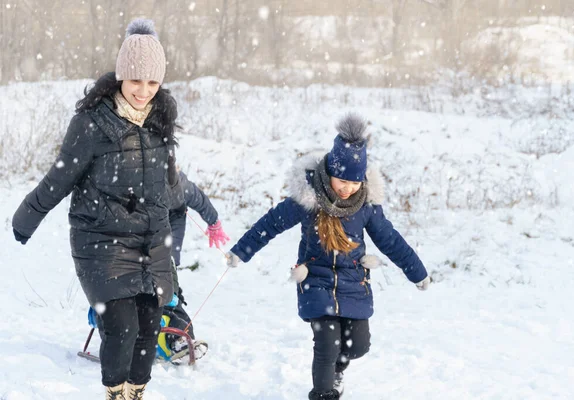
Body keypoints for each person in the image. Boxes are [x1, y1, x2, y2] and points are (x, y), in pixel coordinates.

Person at [12, 18, 183, 400]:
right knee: (121, 328)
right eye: (136, 81)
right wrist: (25, 219)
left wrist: (199, 214)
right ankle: (114, 394)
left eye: (152, 83)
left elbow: (172, 185)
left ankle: (134, 392)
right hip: (100, 241)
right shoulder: (92, 123)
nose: (143, 91)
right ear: (121, 76)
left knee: (149, 330)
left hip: (151, 245)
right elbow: (60, 177)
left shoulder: (161, 122)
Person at [225, 114, 431, 400]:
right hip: (315, 279)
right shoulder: (309, 199)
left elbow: (390, 240)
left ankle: (338, 370)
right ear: (329, 172)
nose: (348, 188)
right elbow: (270, 224)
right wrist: (241, 251)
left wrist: (416, 271)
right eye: (342, 180)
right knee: (327, 343)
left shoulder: (366, 206)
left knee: (358, 345)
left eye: (354, 182)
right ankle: (323, 393)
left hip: (353, 282)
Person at [157, 170, 229, 360]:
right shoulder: (131, 181)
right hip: (139, 230)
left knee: (168, 286)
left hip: (171, 225)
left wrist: (213, 222)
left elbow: (200, 199)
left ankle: (180, 340)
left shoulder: (179, 184)